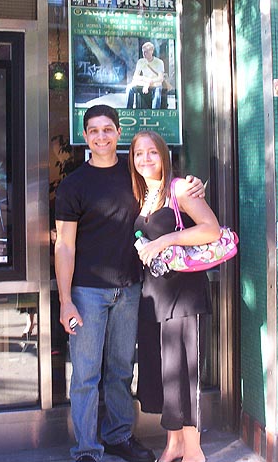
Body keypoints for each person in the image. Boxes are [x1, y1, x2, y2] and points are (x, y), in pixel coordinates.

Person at [54, 105, 205, 462]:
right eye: (94, 131)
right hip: (87, 292)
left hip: (132, 290)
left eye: (108, 129)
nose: (101, 136)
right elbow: (64, 245)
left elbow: (166, 182)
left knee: (121, 372)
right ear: (85, 135)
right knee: (86, 376)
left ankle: (119, 436)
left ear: (118, 133)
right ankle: (87, 450)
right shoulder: (74, 184)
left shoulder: (134, 172)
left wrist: (191, 183)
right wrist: (65, 300)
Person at [128, 131, 221, 462]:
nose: (146, 159)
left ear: (164, 156)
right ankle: (173, 444)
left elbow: (211, 228)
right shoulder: (143, 195)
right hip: (154, 300)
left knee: (186, 376)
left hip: (184, 298)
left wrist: (163, 241)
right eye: (139, 153)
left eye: (153, 152)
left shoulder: (179, 188)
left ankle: (194, 451)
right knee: (166, 377)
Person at [126, 42, 165, 109]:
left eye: (146, 52)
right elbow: (135, 76)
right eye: (143, 52)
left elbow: (160, 78)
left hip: (155, 83)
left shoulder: (159, 62)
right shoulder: (140, 61)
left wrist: (150, 82)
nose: (144, 54)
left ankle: (155, 112)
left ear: (151, 51)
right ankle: (129, 110)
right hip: (144, 83)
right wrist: (146, 81)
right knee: (129, 88)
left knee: (158, 90)